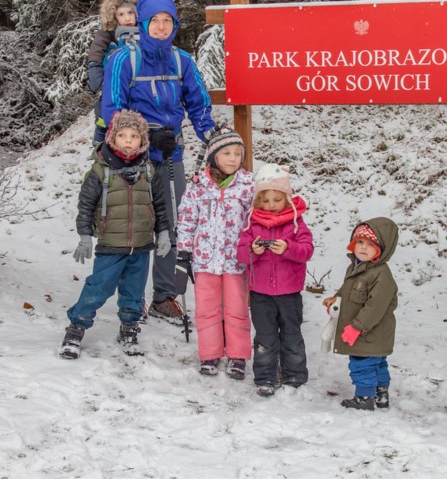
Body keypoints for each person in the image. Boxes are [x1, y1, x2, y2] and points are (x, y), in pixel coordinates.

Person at [102, 0, 216, 326]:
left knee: (173, 224)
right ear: (143, 23)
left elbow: (198, 104)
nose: (162, 26)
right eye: (155, 21)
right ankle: (131, 299)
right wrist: (144, 139)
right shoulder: (125, 59)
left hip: (170, 155)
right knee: (134, 227)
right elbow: (113, 111)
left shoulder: (182, 61)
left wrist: (210, 135)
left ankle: (164, 296)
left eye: (168, 21)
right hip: (131, 157)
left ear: (175, 24)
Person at [59, 110, 171, 359]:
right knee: (98, 289)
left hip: (141, 246)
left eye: (134, 136)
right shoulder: (100, 171)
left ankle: (129, 328)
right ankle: (76, 327)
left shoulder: (149, 172)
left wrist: (163, 233)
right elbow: (86, 205)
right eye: (122, 135)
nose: (128, 140)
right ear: (112, 138)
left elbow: (161, 206)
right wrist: (85, 236)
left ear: (143, 140)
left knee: (134, 292)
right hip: (111, 244)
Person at [176, 127, 254, 378]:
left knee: (237, 308)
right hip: (205, 260)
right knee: (207, 309)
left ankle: (238, 355)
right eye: (227, 153)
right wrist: (184, 254)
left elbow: (256, 219)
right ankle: (209, 353)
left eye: (238, 153)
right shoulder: (198, 187)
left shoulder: (248, 185)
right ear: (213, 156)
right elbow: (187, 221)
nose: (233, 158)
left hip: (235, 262)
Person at [236, 164, 314, 397]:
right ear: (258, 201)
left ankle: (294, 374)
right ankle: (265, 376)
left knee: (292, 334)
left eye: (277, 199)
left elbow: (307, 250)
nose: (271, 205)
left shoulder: (296, 223)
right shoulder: (252, 224)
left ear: (286, 199)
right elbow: (241, 255)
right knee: (265, 336)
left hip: (289, 292)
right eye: (266, 200)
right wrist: (254, 250)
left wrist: (288, 248)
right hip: (260, 293)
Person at [323, 218, 399, 411]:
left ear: (381, 250)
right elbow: (347, 290)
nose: (363, 248)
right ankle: (381, 394)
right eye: (360, 242)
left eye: (370, 244)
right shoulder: (356, 267)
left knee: (363, 363)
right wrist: (335, 298)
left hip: (370, 331)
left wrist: (357, 326)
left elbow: (376, 306)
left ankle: (365, 397)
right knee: (377, 363)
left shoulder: (381, 275)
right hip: (365, 330)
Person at [87, 0, 144, 145]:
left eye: (130, 13)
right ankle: (100, 138)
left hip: (137, 80)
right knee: (104, 109)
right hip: (111, 79)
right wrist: (94, 66)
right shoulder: (107, 32)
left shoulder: (144, 31)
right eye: (121, 14)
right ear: (113, 15)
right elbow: (97, 48)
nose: (127, 18)